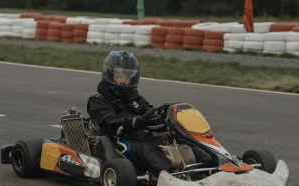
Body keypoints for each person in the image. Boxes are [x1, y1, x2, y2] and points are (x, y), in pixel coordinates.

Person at [86, 51, 214, 178]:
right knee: (145, 149)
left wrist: (167, 121)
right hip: (120, 142)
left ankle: (212, 166)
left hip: (144, 136)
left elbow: (152, 116)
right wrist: (133, 122)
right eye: (120, 75)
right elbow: (109, 124)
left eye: (128, 76)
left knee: (180, 141)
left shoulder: (136, 99)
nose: (125, 80)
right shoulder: (98, 101)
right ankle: (172, 176)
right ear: (109, 74)